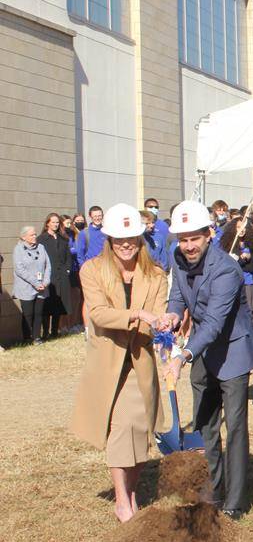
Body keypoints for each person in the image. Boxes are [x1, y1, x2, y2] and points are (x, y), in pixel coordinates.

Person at [156, 201, 253, 519]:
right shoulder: (177, 257)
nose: (188, 246)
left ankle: (236, 502)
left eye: (194, 238)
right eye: (183, 238)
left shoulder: (227, 270)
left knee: (236, 427)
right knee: (207, 426)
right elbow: (178, 295)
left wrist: (183, 355)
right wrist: (173, 315)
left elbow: (214, 322)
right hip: (204, 351)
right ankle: (214, 491)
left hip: (232, 351)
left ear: (209, 235)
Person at [68, 203, 168, 522]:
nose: (126, 245)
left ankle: (132, 488)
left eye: (132, 238)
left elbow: (158, 313)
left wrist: (165, 322)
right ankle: (122, 500)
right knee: (121, 427)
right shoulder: (92, 270)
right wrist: (138, 314)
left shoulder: (156, 275)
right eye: (119, 239)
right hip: (109, 361)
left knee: (140, 428)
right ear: (108, 239)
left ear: (140, 239)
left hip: (140, 359)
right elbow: (98, 313)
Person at [37, 214, 72, 340]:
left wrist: (67, 269)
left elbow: (68, 257)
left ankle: (55, 331)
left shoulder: (63, 239)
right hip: (48, 276)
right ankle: (45, 332)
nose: (56, 225)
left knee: (58, 303)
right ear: (47, 224)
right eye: (53, 222)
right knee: (47, 304)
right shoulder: (41, 239)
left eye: (57, 222)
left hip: (61, 275)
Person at [13, 226, 51, 344]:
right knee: (28, 314)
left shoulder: (41, 247)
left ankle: (36, 337)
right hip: (26, 287)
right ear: (24, 237)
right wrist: (35, 283)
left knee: (38, 313)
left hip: (41, 287)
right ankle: (27, 338)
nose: (35, 236)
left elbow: (48, 266)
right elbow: (19, 269)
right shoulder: (18, 249)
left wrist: (45, 282)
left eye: (35, 234)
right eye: (32, 235)